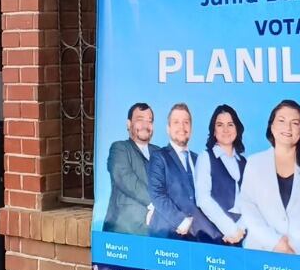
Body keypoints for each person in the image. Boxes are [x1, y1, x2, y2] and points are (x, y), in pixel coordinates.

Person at [239, 99, 300, 256]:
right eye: (281, 121)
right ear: (272, 126)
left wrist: (295, 246)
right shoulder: (254, 163)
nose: (288, 128)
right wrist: (275, 242)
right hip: (260, 252)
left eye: (295, 123)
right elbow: (248, 206)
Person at [191, 104, 248, 245]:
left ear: (237, 129)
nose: (226, 129)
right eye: (220, 124)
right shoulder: (206, 157)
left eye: (230, 124)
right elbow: (203, 199)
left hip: (240, 237)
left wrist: (240, 228)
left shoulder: (244, 162)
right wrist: (230, 229)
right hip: (213, 236)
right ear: (214, 130)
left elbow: (251, 203)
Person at [102, 103, 161, 235]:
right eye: (140, 120)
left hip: (156, 234)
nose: (146, 125)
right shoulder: (119, 148)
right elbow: (126, 178)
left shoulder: (160, 153)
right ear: (128, 124)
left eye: (149, 121)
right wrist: (157, 204)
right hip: (124, 233)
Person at [147, 103, 199, 238]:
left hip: (195, 237)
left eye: (186, 122)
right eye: (176, 122)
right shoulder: (159, 157)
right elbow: (157, 194)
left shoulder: (199, 160)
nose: (182, 127)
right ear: (168, 128)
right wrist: (181, 221)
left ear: (191, 128)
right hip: (167, 236)